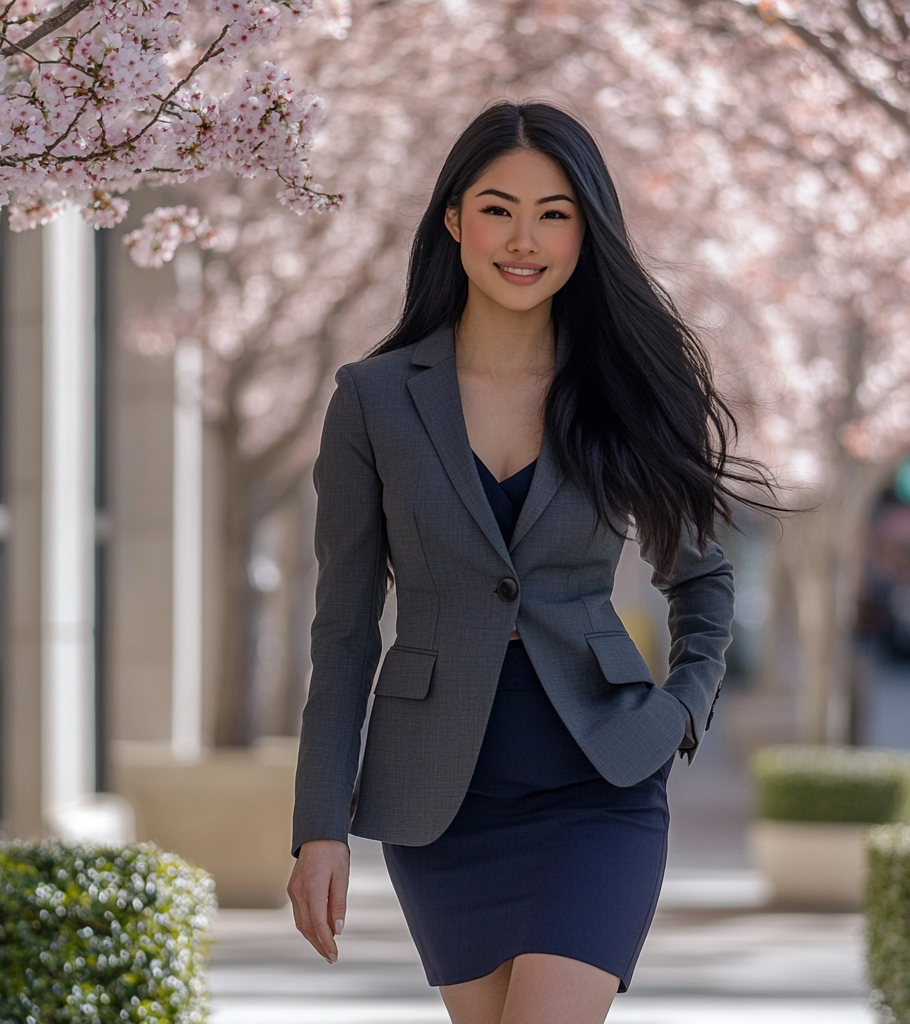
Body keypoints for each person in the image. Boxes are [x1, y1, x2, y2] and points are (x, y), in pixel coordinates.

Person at [288, 100, 766, 1024]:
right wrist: (320, 825)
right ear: (454, 219)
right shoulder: (374, 400)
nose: (525, 238)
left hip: (602, 782)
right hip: (443, 800)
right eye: (499, 208)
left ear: (587, 231)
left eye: (555, 213)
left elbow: (700, 579)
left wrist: (680, 714)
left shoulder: (624, 387)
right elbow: (342, 633)